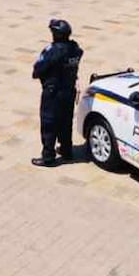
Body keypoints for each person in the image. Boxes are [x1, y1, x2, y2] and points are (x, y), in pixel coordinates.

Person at [31, 19, 83, 167]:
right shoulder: (75, 49)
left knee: (49, 123)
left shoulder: (52, 51)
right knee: (66, 122)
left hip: (53, 93)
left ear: (56, 34)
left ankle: (48, 157)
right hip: (69, 91)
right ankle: (67, 151)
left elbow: (38, 70)